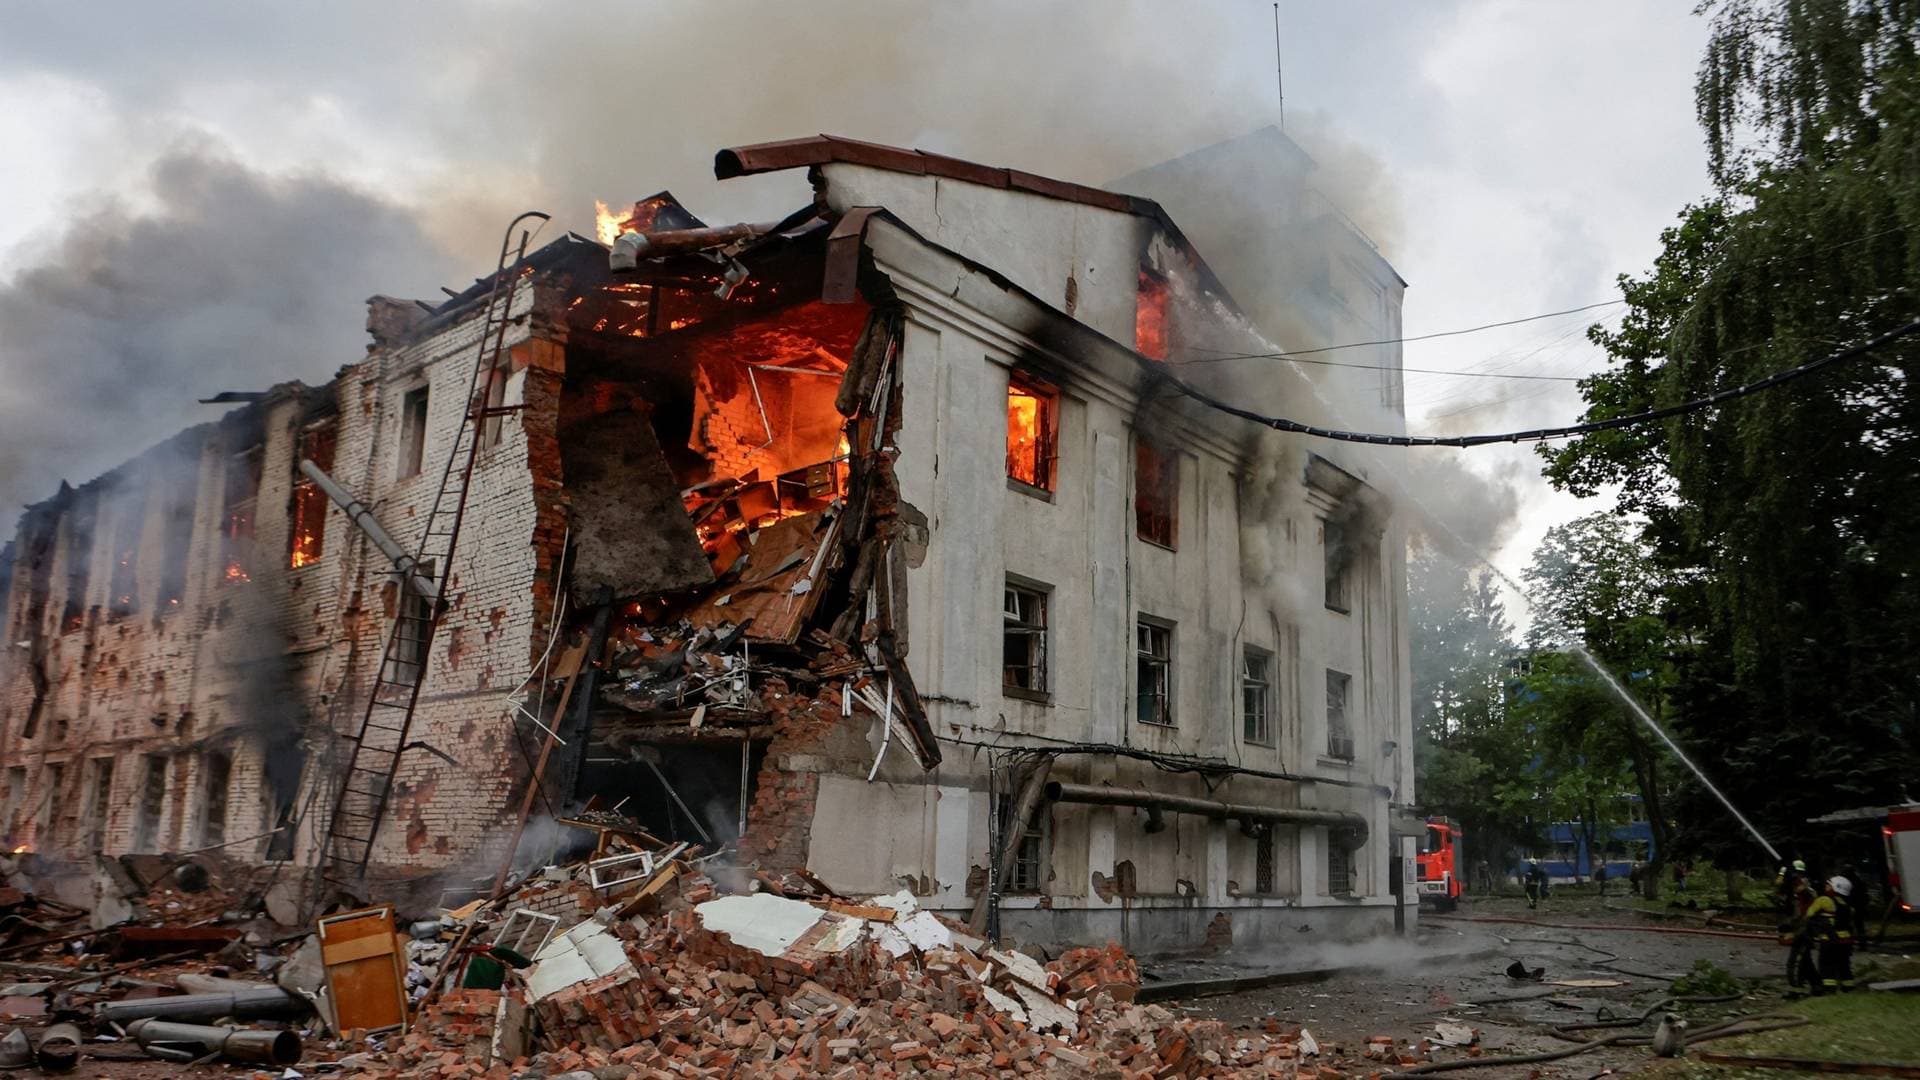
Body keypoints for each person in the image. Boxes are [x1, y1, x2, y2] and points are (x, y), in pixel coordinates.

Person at [1799, 876, 1856, 993]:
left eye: (1828, 884)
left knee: (1826, 964)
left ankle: (1829, 988)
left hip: (1829, 940)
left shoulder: (1824, 900)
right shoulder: (1847, 905)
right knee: (1844, 965)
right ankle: (1848, 986)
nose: (1826, 886)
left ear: (1835, 888)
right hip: (1846, 941)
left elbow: (1809, 913)